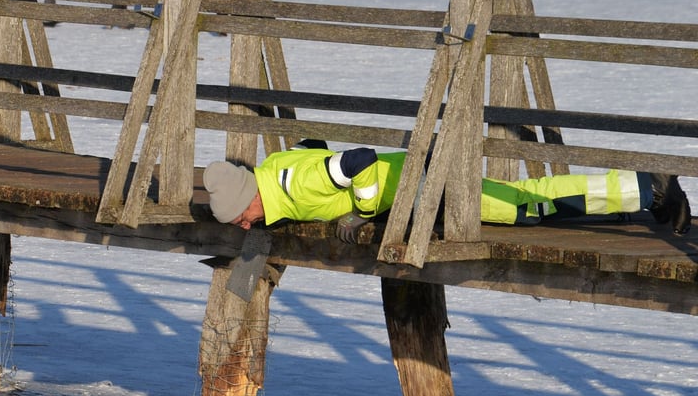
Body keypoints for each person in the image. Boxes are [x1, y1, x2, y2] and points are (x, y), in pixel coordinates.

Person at [203, 143, 693, 242]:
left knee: (527, 203)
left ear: (248, 195)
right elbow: (311, 146)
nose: (245, 225)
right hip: (418, 187)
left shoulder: (296, 185)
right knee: (529, 206)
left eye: (242, 217)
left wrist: (365, 209)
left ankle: (650, 189)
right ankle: (643, 205)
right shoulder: (273, 172)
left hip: (424, 185)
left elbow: (357, 160)